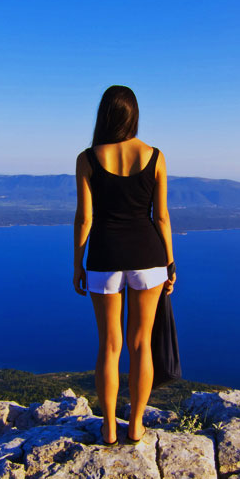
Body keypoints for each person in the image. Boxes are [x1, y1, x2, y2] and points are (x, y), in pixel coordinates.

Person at [73, 85, 176, 446]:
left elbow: (84, 219)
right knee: (141, 344)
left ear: (105, 114)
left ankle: (109, 429)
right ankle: (135, 426)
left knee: (109, 345)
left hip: (103, 256)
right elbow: (161, 217)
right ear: (133, 115)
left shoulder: (87, 158)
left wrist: (77, 265)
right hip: (149, 257)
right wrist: (171, 263)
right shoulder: (155, 156)